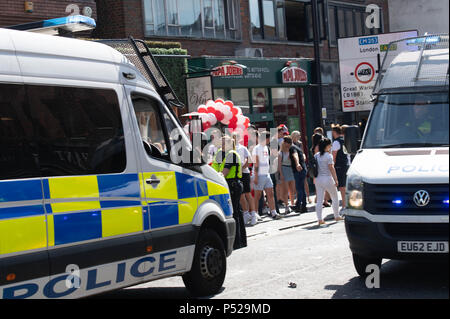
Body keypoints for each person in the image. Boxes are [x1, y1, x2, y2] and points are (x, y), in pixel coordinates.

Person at [212, 136, 247, 249]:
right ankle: (239, 241)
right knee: (235, 212)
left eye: (223, 143)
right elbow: (213, 168)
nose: (220, 145)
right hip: (225, 184)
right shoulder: (219, 153)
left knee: (235, 213)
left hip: (233, 184)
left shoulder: (231, 154)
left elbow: (224, 173)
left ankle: (238, 242)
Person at [252, 131, 282, 220]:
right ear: (266, 138)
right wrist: (256, 176)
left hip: (266, 174)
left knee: (271, 193)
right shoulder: (256, 148)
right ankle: (255, 213)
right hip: (259, 175)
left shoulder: (266, 147)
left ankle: (274, 212)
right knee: (257, 196)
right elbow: (256, 163)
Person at [314, 138, 344, 226]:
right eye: (330, 145)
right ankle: (336, 215)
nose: (331, 146)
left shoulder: (316, 155)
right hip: (328, 178)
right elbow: (331, 168)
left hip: (318, 179)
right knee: (334, 197)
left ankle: (320, 219)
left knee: (319, 200)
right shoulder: (328, 156)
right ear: (326, 146)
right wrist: (336, 179)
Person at [232, 133, 257, 226]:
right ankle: (246, 214)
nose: (234, 139)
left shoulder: (242, 148)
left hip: (244, 173)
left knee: (247, 194)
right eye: (233, 137)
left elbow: (249, 160)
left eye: (236, 137)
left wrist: (242, 167)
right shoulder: (230, 149)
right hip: (235, 174)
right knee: (241, 195)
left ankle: (253, 214)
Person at [278, 136, 303, 215]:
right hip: (284, 169)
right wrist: (281, 174)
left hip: (291, 169)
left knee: (292, 189)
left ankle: (292, 204)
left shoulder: (291, 150)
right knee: (285, 190)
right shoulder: (280, 153)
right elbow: (279, 165)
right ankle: (286, 206)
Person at [331, 125, 350, 212]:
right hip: (346, 164)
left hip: (339, 166)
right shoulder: (344, 140)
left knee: (342, 187)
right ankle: (346, 204)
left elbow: (334, 156)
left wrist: (332, 166)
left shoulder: (335, 142)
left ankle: (344, 205)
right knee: (345, 186)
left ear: (335, 132)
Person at [290, 132, 308, 213]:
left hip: (299, 168)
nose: (300, 137)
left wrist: (297, 164)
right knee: (301, 188)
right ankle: (303, 206)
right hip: (302, 168)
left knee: (299, 188)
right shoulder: (295, 145)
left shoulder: (293, 147)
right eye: (298, 136)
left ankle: (298, 205)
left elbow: (295, 155)